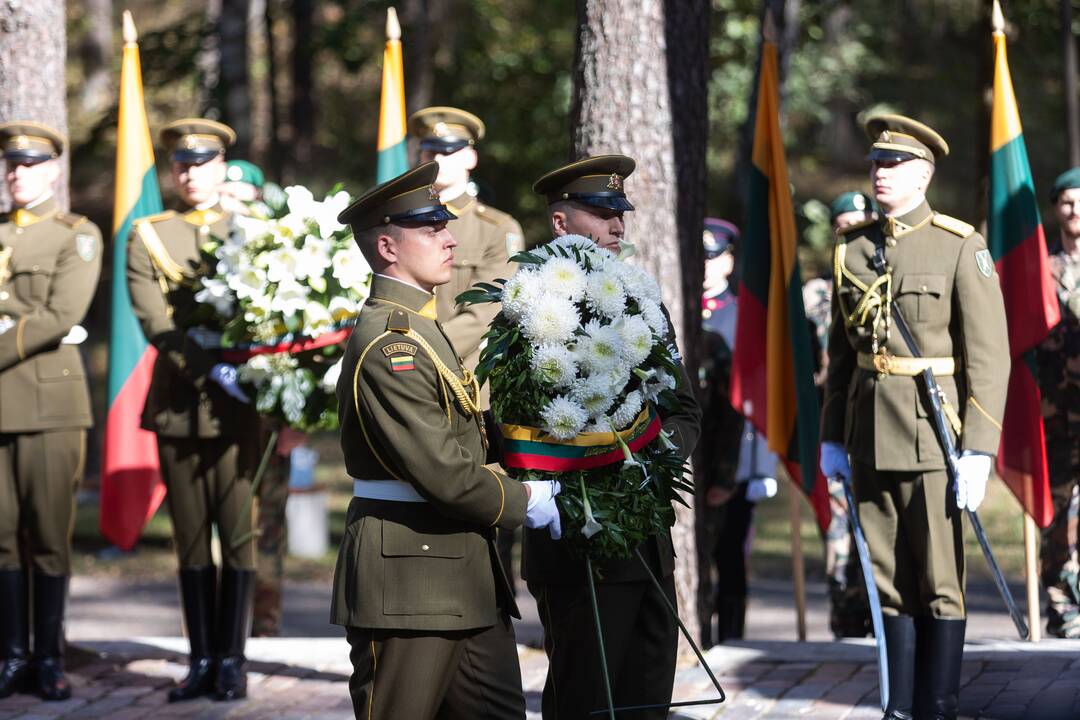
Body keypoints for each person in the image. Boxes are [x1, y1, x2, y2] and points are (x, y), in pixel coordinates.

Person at [331, 162, 559, 719]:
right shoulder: (392, 346)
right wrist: (528, 500)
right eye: (432, 230)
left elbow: (469, 436)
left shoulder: (422, 325)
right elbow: (444, 472)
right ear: (388, 245)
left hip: (463, 578)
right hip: (408, 582)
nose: (450, 239)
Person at [821, 114, 1009, 719]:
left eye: (894, 164)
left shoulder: (959, 244)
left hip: (936, 433)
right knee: (885, 577)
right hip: (869, 432)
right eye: (876, 162)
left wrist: (979, 448)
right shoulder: (851, 249)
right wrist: (830, 437)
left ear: (923, 174)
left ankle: (938, 705)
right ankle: (898, 707)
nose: (880, 173)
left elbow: (989, 355)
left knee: (938, 579)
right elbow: (840, 356)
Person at [525, 155, 702, 718]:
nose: (617, 227)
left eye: (620, 213)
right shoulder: (529, 308)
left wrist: (653, 457)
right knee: (586, 702)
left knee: (648, 698)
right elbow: (521, 424)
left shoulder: (643, 301)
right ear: (560, 223)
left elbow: (684, 410)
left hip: (647, 532)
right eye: (601, 214)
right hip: (582, 543)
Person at [126, 118, 262, 701]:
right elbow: (155, 321)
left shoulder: (253, 229)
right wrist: (209, 367)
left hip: (241, 407)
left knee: (236, 533)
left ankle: (233, 660)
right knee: (189, 535)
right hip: (180, 402)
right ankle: (200, 659)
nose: (190, 173)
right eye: (182, 164)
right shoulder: (148, 233)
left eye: (202, 162)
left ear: (221, 167)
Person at [0, 121, 101, 701]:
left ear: (54, 170)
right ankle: (12, 654)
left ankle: (47, 657)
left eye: (31, 164)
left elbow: (60, 315)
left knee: (46, 535)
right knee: (3, 536)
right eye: (12, 164)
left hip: (49, 405)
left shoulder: (75, 234)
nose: (18, 174)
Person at [409, 106, 525, 593]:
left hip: (473, 390)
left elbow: (489, 310)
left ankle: (491, 616)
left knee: (486, 509)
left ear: (471, 158)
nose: (438, 160)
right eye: (431, 151)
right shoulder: (402, 221)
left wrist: (420, 353)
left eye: (449, 152)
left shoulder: (496, 229)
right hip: (410, 384)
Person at [697, 219, 776, 645]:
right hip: (692, 455)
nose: (705, 267)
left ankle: (730, 640)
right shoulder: (674, 305)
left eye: (713, 257)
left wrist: (762, 465)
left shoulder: (745, 317)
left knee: (729, 559)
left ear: (729, 261)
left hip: (736, 461)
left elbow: (760, 396)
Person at [815, 192, 875, 639]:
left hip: (877, 428)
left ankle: (885, 627)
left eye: (860, 222)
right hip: (834, 433)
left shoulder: (883, 283)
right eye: (843, 224)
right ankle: (846, 631)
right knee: (838, 543)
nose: (850, 231)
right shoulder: (814, 295)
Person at [1036, 168, 1080, 639]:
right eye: (1066, 202)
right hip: (1056, 414)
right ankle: (1063, 608)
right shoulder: (1041, 271)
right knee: (1059, 515)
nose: (1074, 210)